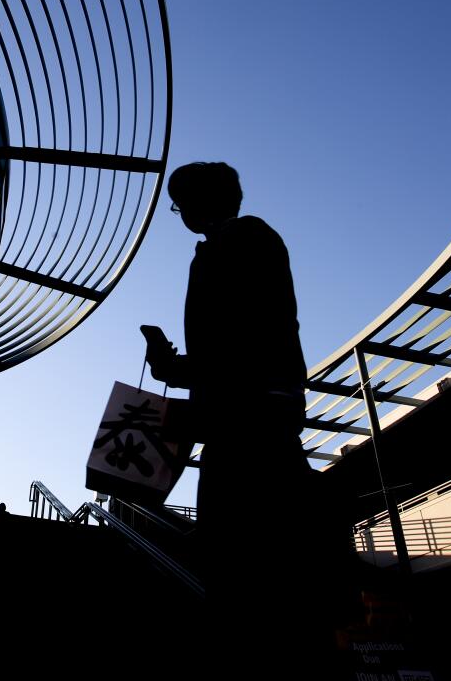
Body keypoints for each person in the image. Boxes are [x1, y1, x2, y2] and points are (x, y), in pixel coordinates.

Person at [147, 162, 329, 665]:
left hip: (247, 414)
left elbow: (238, 340)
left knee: (238, 554)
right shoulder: (246, 241)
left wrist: (176, 369)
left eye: (179, 204)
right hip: (255, 410)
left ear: (200, 200)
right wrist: (177, 369)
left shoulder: (238, 242)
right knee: (254, 547)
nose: (179, 214)